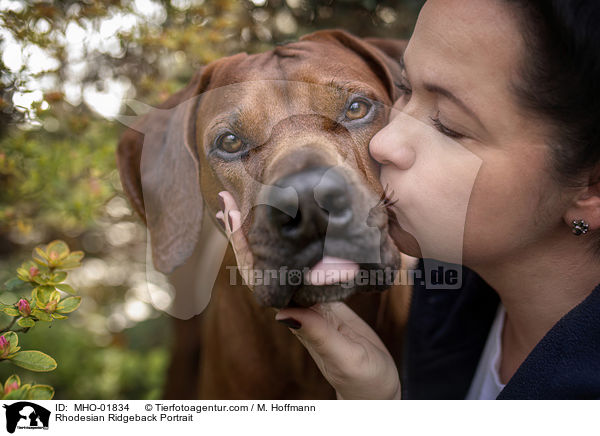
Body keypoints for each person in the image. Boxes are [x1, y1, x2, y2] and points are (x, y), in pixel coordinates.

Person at [216, 0, 600, 399]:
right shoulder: (442, 291)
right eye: (403, 90)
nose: (383, 141)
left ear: (591, 187)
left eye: (448, 126)